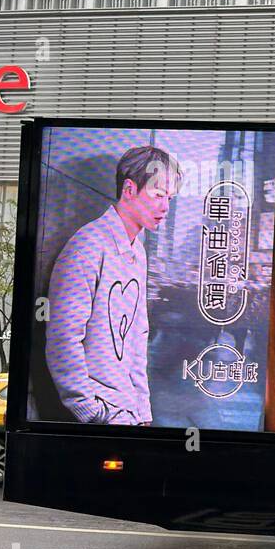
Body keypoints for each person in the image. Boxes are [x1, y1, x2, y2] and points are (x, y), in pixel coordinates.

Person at [45, 145, 180, 425]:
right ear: (129, 190)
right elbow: (63, 337)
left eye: (169, 197)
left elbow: (137, 335)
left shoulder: (137, 250)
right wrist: (90, 411)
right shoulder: (88, 246)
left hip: (126, 412)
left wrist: (143, 412)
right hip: (101, 414)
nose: (165, 207)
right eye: (157, 195)